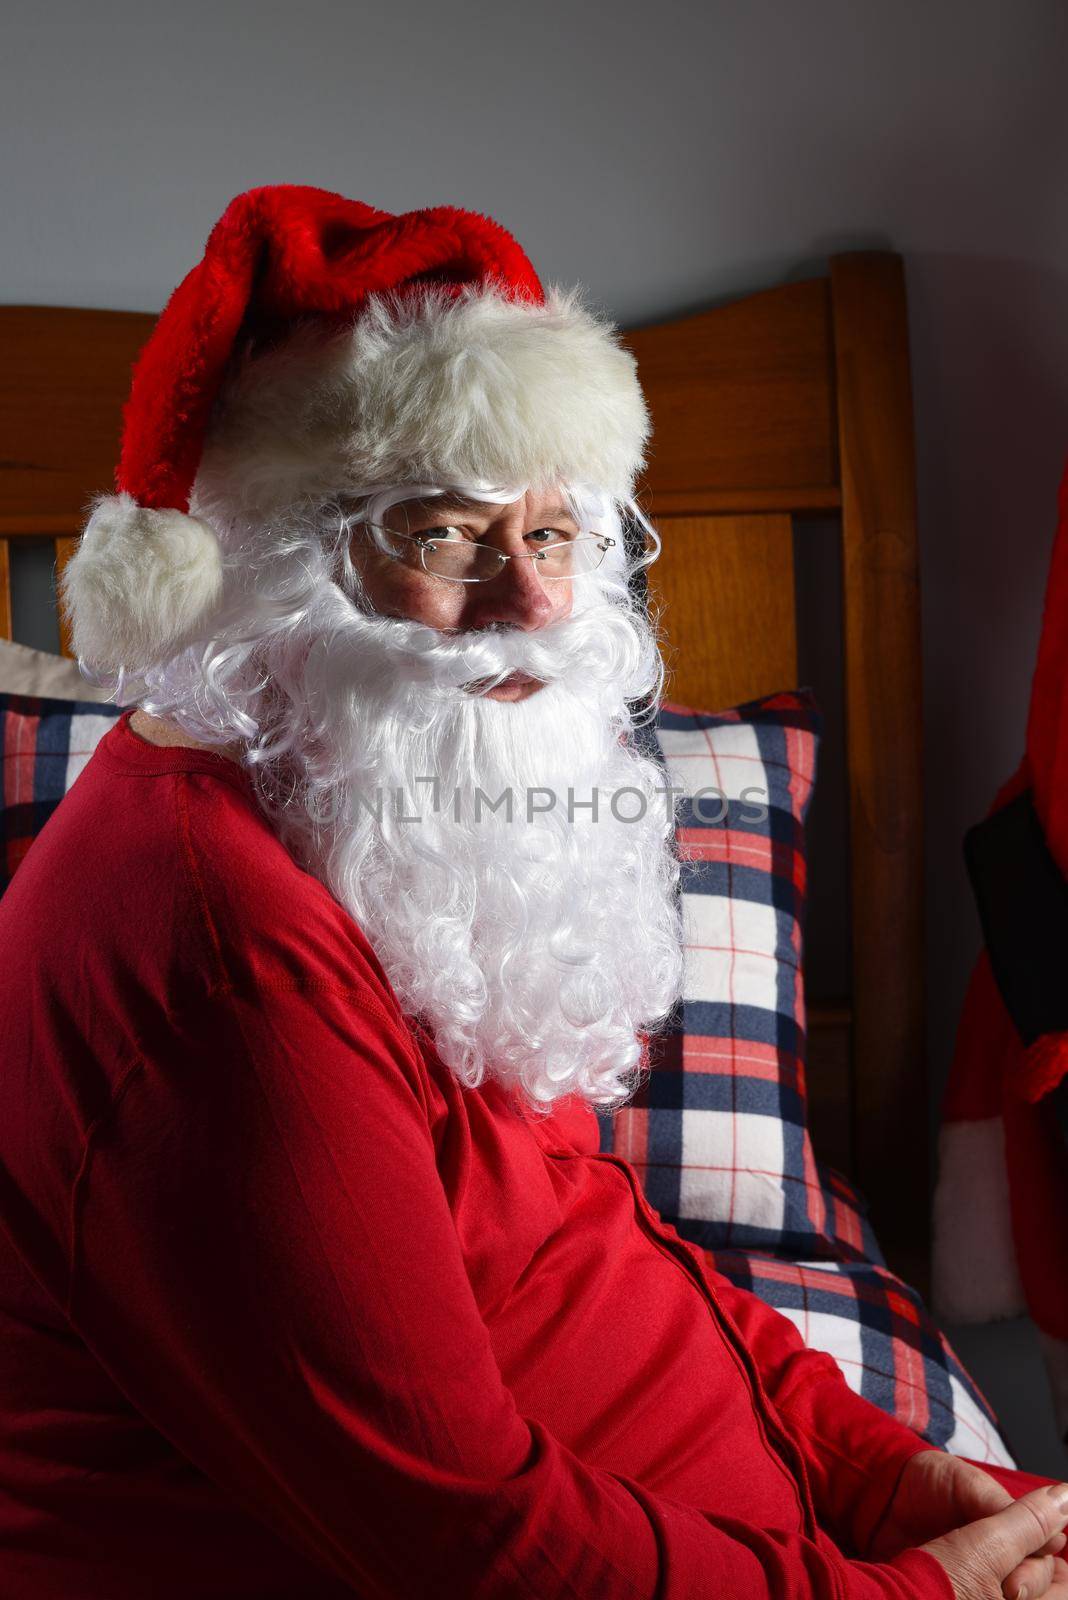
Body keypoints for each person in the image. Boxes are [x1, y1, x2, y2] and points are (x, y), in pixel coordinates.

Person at [0, 183, 1063, 1599]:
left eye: (554, 535)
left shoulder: (383, 810)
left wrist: (868, 1469)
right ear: (262, 567)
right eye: (442, 534)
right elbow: (460, 1544)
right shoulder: (216, 953)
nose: (531, 603)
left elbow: (590, 1232)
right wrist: (915, 1593)